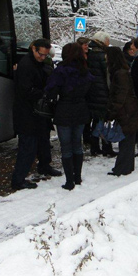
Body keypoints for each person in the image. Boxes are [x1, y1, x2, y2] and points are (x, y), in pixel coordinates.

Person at [11, 38, 61, 190]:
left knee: (43, 140)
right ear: (33, 49)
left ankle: (44, 165)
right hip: (27, 113)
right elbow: (26, 91)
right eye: (40, 54)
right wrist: (44, 93)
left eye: (45, 55)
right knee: (28, 146)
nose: (42, 57)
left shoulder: (37, 63)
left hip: (37, 112)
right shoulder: (26, 66)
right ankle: (18, 180)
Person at [44, 43, 94, 190]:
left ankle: (69, 181)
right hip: (81, 109)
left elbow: (51, 91)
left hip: (64, 110)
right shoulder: (85, 71)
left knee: (66, 147)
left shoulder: (61, 71)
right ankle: (77, 177)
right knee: (77, 143)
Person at [105, 47, 138, 176]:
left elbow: (120, 96)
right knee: (127, 139)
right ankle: (126, 166)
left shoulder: (119, 74)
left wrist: (111, 112)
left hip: (126, 111)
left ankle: (122, 168)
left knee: (126, 140)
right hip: (129, 110)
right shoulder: (122, 71)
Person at [86, 31, 117, 157]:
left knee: (96, 120)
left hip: (93, 92)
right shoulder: (102, 55)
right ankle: (106, 147)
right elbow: (108, 75)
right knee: (104, 121)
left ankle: (94, 146)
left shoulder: (90, 53)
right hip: (102, 92)